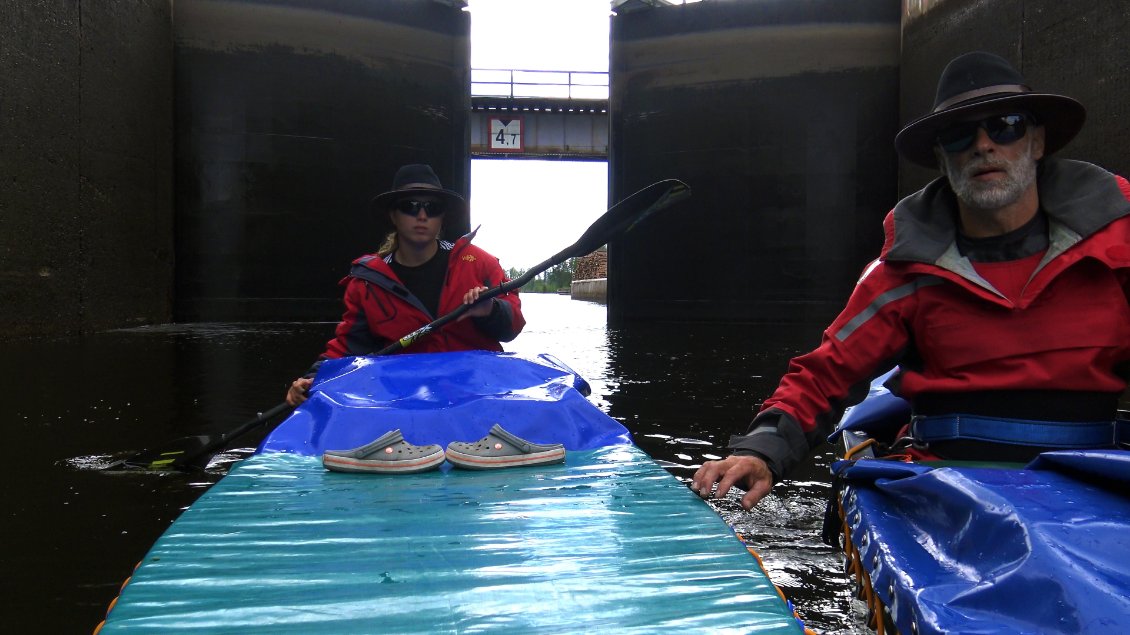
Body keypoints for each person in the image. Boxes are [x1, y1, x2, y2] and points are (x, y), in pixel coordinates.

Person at [692, 51, 1130, 509]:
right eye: (960, 135)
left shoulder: (1118, 246)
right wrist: (761, 451)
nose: (983, 145)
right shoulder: (903, 272)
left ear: (1037, 142)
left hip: (1089, 490)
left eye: (1006, 125)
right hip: (949, 494)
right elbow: (825, 374)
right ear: (943, 158)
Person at [286, 164, 525, 406]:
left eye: (433, 208)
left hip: (478, 397)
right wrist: (312, 378)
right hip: (405, 402)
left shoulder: (480, 264)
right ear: (393, 215)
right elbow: (348, 348)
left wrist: (490, 310)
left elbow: (513, 326)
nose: (422, 216)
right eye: (410, 207)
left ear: (442, 218)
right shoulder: (367, 283)